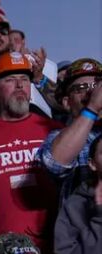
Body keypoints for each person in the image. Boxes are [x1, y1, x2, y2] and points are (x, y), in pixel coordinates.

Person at [0, 52, 63, 252]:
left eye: (24, 79)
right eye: (10, 80)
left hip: (55, 245)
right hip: (4, 249)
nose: (20, 86)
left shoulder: (54, 130)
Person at [38, 58, 102, 200]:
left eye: (96, 85)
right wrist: (92, 108)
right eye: (81, 88)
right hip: (84, 220)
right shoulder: (58, 136)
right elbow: (54, 164)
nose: (91, 92)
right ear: (67, 103)